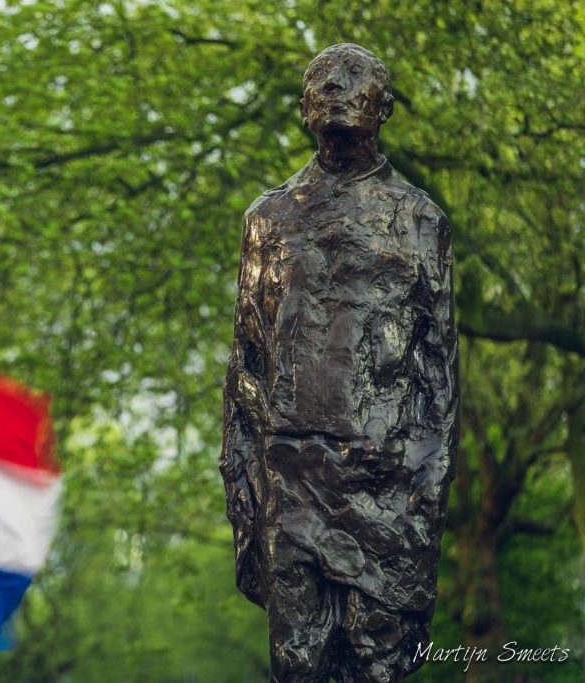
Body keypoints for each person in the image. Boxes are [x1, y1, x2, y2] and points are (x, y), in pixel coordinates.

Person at [219, 43, 459, 683]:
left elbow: (439, 375)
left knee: (379, 662)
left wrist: (427, 490)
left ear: (385, 107)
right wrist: (241, 478)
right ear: (303, 107)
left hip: (383, 481)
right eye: (322, 79)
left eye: (354, 78)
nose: (336, 87)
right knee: (295, 663)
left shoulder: (420, 219)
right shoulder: (267, 220)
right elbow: (244, 358)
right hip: (290, 475)